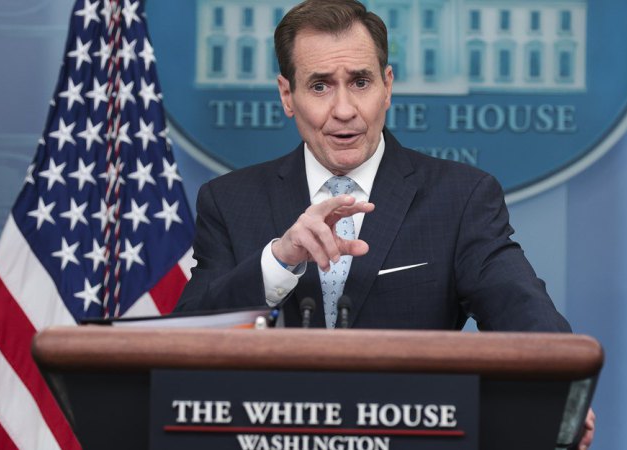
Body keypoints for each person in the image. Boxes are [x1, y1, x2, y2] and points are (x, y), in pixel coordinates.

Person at [176, 1, 594, 447]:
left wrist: (560, 393)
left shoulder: (459, 198)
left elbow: (519, 307)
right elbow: (181, 343)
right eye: (319, 86)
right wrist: (278, 261)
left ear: (387, 86)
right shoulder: (229, 201)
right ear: (287, 95)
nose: (344, 109)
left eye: (360, 82)